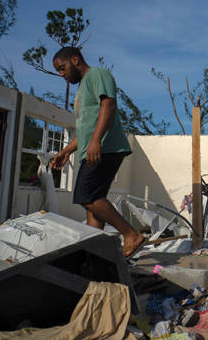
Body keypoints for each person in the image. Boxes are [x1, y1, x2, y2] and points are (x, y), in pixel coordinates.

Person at [50, 46, 146, 258]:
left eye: (62, 68)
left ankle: (131, 235)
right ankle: (95, 252)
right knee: (94, 204)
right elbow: (86, 127)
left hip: (106, 148)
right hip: (94, 149)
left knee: (87, 196)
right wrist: (67, 150)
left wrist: (96, 141)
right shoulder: (83, 87)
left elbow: (108, 105)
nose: (61, 74)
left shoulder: (97, 74)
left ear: (75, 60)